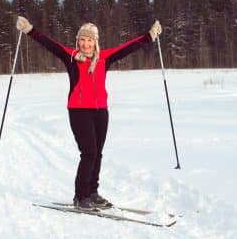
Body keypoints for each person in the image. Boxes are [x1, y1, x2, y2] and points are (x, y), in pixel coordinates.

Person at [16, 16, 162, 210]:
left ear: (95, 41)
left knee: (97, 154)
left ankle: (92, 193)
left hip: (101, 111)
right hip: (78, 111)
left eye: (90, 40)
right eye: (82, 40)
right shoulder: (71, 56)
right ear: (78, 41)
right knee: (89, 153)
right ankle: (80, 196)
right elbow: (49, 43)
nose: (86, 44)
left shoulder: (105, 58)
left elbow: (128, 47)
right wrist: (29, 30)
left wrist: (150, 36)